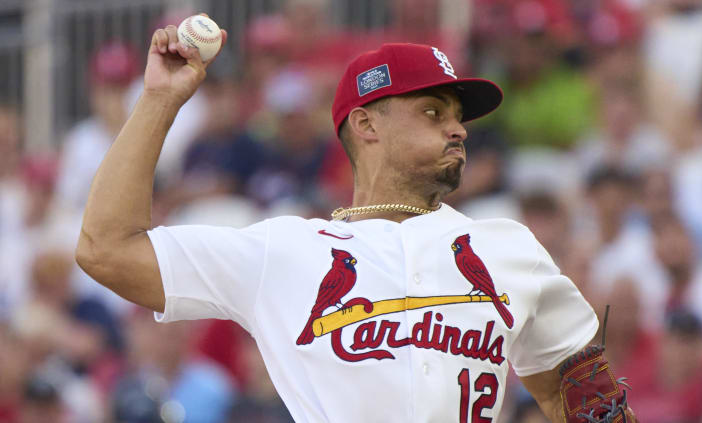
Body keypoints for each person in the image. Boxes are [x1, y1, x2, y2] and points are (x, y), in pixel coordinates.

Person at [75, 16, 633, 422]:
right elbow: (105, 248)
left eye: (458, 116)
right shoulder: (286, 250)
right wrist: (159, 100)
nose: (458, 129)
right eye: (433, 112)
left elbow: (576, 398)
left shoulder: (509, 246)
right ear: (366, 125)